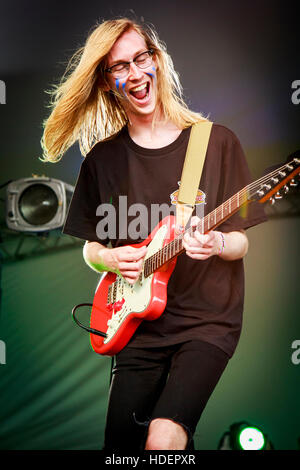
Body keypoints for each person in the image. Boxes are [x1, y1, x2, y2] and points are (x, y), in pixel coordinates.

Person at [41, 17, 267, 451]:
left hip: (206, 322)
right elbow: (92, 247)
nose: (135, 73)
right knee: (122, 453)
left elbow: (241, 240)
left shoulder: (214, 142)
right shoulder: (101, 163)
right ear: (108, 82)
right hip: (135, 324)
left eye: (141, 58)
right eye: (119, 67)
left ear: (157, 61)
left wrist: (216, 242)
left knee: (163, 441)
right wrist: (109, 259)